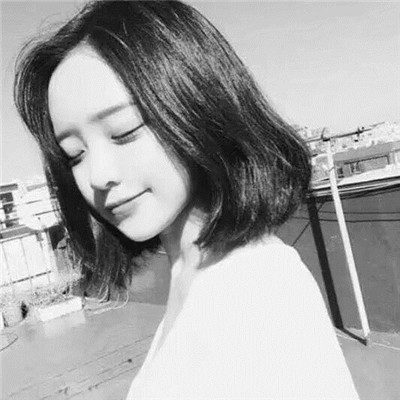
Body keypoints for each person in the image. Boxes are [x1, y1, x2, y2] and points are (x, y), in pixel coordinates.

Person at [14, 1, 359, 398]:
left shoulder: (259, 293)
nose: (97, 176)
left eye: (124, 131)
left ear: (198, 107)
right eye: (75, 154)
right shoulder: (190, 273)